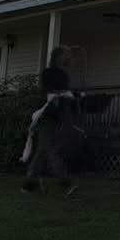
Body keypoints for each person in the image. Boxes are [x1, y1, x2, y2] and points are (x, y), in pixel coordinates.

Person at [21, 47, 79, 195]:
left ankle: (30, 184)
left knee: (42, 150)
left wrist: (70, 100)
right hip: (45, 115)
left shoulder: (63, 75)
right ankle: (66, 182)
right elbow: (47, 92)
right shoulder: (48, 73)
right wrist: (61, 94)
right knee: (50, 149)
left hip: (56, 117)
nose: (67, 59)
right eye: (65, 56)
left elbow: (64, 95)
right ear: (58, 57)